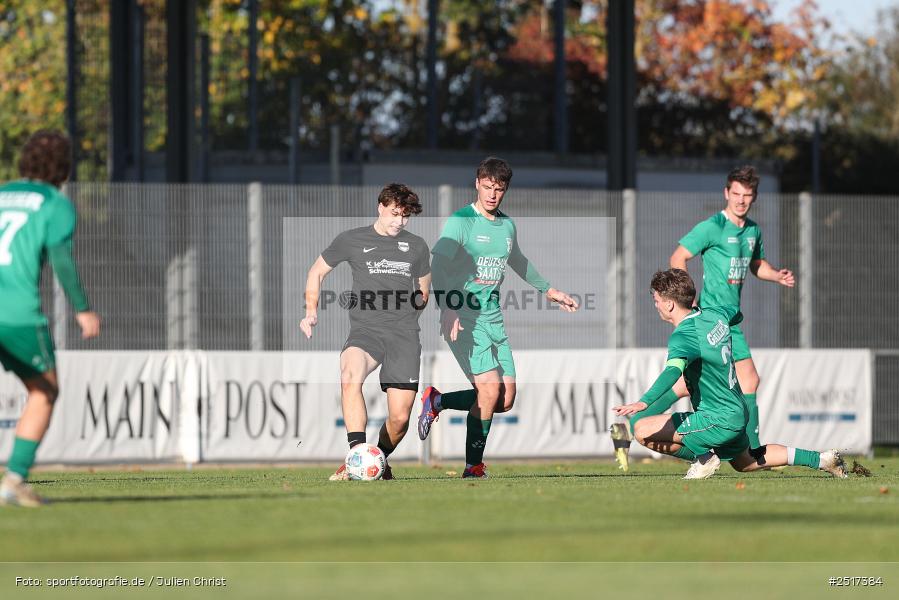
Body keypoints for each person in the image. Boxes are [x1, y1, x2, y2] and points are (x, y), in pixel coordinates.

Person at [612, 165, 794, 471]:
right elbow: (678, 256)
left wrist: (776, 275)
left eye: (747, 195)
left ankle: (630, 427)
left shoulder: (752, 231)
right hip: (712, 318)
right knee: (747, 379)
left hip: (729, 319)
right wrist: (689, 300)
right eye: (736, 193)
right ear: (726, 193)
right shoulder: (712, 227)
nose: (741, 200)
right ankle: (751, 452)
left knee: (689, 385)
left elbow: (756, 265)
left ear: (754, 197)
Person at [417, 157, 579, 479]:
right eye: (488, 187)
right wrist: (448, 306)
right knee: (489, 391)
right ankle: (473, 467)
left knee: (504, 399)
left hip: (493, 319)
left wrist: (549, 290)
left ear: (505, 190)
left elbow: (517, 260)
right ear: (477, 183)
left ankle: (437, 401)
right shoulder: (461, 221)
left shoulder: (507, 226)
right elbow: (439, 265)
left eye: (499, 189)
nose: (492, 194)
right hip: (463, 318)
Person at [612, 269, 846, 480]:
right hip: (737, 411)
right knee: (746, 462)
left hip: (717, 418)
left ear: (670, 304)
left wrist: (644, 402)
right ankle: (822, 459)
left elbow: (672, 371)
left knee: (642, 429)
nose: (655, 304)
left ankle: (704, 459)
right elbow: (735, 313)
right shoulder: (715, 314)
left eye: (656, 300)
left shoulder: (683, 336)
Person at [300, 183, 430, 480]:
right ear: (380, 207)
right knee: (349, 376)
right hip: (366, 332)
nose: (400, 221)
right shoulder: (352, 239)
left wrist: (415, 303)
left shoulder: (417, 246)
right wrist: (310, 311)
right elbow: (316, 271)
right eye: (395, 213)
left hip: (404, 336)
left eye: (405, 216)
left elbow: (423, 290)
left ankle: (378, 458)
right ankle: (356, 456)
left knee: (400, 419)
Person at [0, 130, 101, 507]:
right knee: (44, 391)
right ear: (64, 167)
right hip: (16, 314)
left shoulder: (1, 193)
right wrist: (83, 308)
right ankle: (14, 480)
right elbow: (62, 260)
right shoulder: (54, 204)